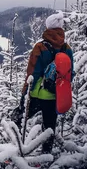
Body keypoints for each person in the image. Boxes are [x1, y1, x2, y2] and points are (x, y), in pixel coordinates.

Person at [18, 11, 74, 153]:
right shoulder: (67, 49)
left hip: (37, 94)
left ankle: (16, 149)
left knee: (19, 118)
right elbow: (69, 73)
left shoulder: (40, 47)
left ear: (48, 27)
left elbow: (33, 73)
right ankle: (45, 156)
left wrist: (25, 93)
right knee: (49, 127)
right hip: (56, 95)